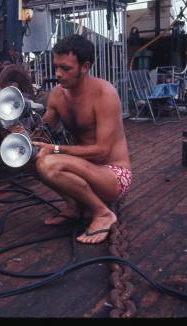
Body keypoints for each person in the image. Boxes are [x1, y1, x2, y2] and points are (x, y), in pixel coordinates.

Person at [32, 34, 132, 245]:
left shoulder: (104, 93)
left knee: (49, 162)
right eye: (56, 67)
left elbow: (102, 151)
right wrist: (14, 131)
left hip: (113, 175)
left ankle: (102, 213)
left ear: (85, 66)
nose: (58, 74)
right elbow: (40, 133)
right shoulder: (57, 95)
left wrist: (56, 149)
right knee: (27, 156)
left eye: (65, 68)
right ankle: (74, 206)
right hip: (82, 169)